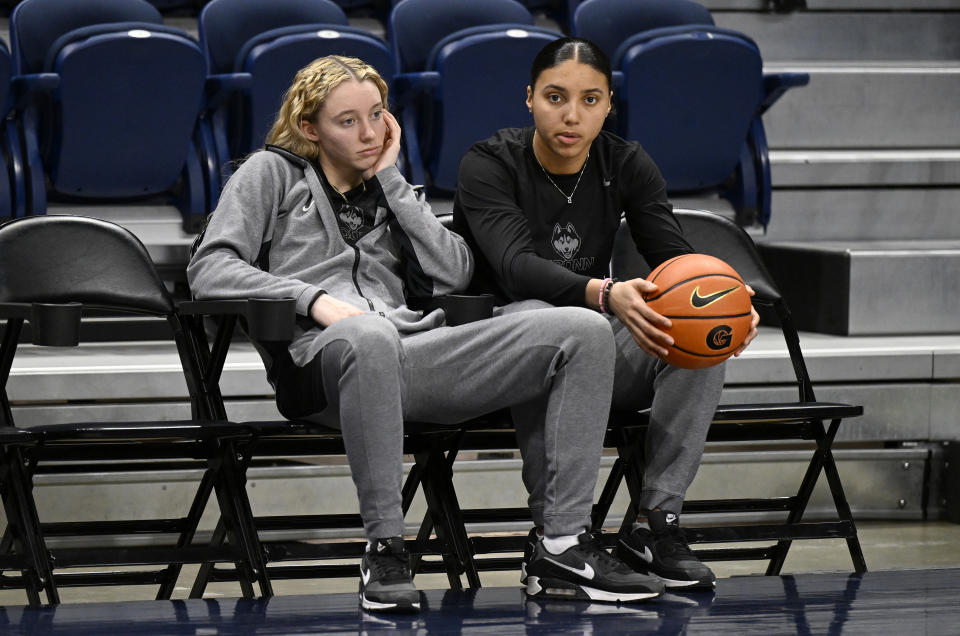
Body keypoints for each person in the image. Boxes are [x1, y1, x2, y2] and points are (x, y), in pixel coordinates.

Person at [188, 55, 665, 612]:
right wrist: (315, 302)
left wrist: (391, 180)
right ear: (309, 127)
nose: (368, 133)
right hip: (322, 367)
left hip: (413, 352)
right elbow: (210, 268)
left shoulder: (390, 186)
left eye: (376, 115)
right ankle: (385, 548)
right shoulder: (269, 174)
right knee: (368, 336)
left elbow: (455, 272)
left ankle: (561, 543)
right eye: (347, 121)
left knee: (581, 328)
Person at [453, 37, 760, 591]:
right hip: (502, 353)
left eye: (590, 100)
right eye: (555, 97)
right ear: (529, 99)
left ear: (609, 105)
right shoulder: (489, 162)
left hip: (593, 346)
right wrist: (604, 291)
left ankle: (653, 523)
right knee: (557, 320)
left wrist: (727, 306)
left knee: (695, 339)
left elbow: (676, 258)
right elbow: (516, 265)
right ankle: (558, 538)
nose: (572, 115)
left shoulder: (626, 162)